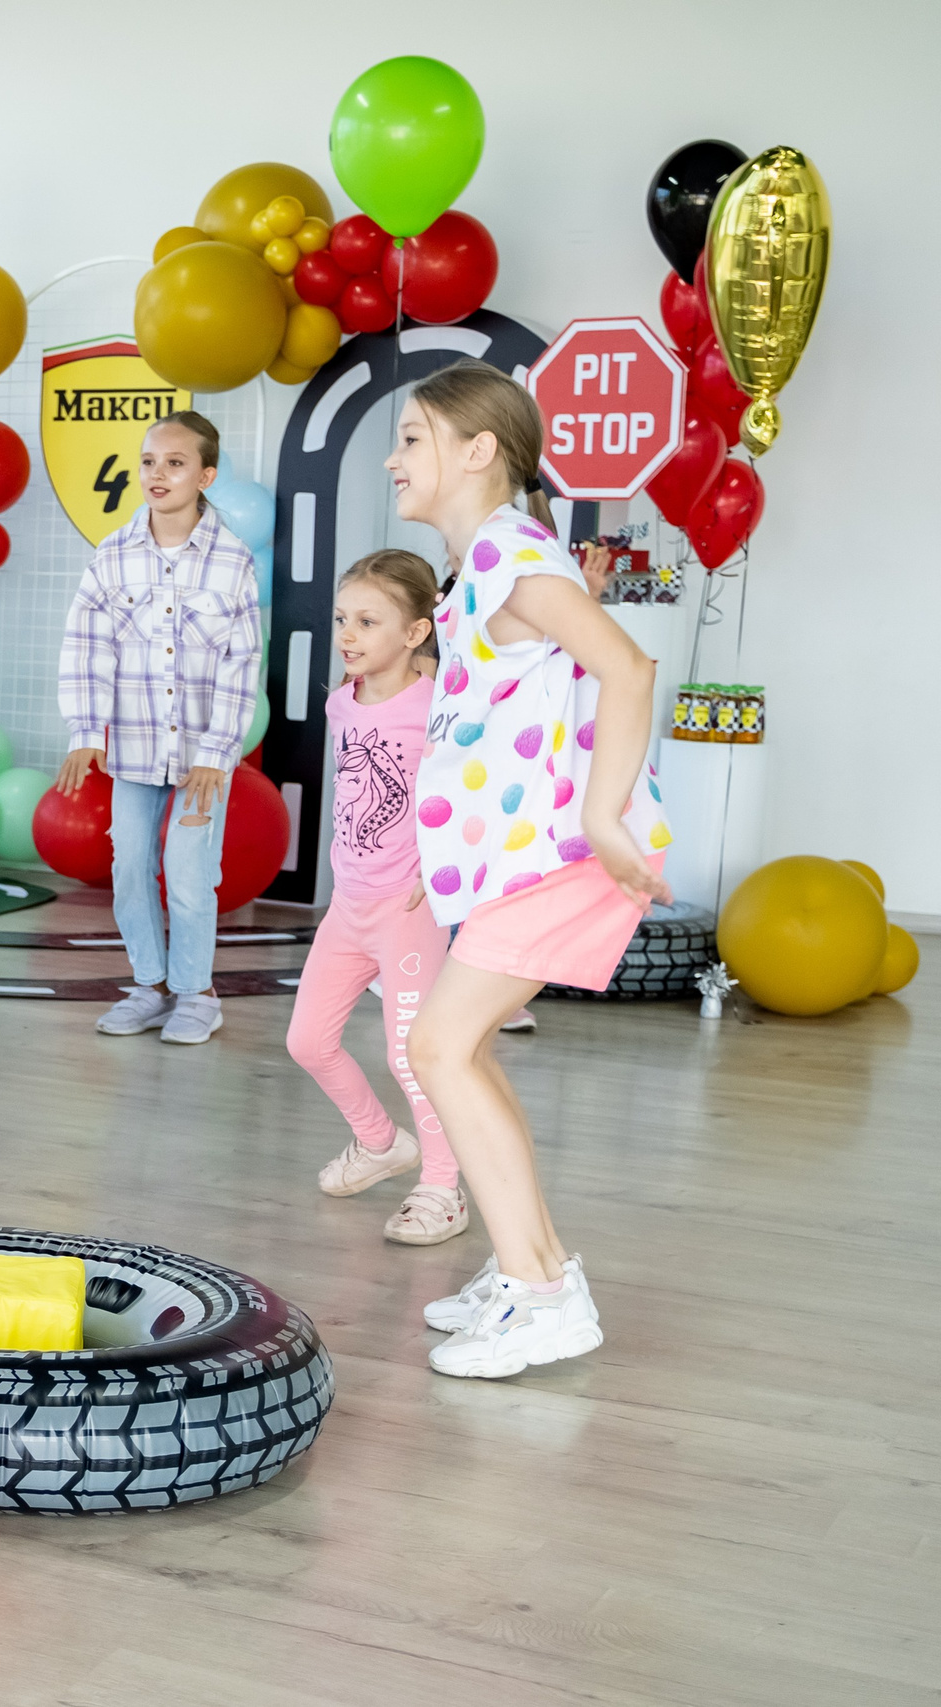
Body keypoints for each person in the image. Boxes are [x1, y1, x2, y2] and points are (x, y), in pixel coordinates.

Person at [392, 361, 671, 1378]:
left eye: (413, 437)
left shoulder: (513, 556)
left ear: (476, 451)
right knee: (459, 1052)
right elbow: (487, 728)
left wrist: (603, 817)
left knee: (438, 1049)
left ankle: (543, 1297)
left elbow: (627, 667)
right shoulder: (486, 567)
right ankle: (535, 1269)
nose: (394, 457)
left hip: (563, 863)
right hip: (524, 861)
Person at [54, 410, 262, 1046]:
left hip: (204, 756)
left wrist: (218, 751)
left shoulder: (232, 560)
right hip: (135, 751)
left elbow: (242, 661)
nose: (158, 474)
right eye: (148, 462)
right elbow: (88, 644)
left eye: (174, 463)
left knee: (192, 873)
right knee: (129, 866)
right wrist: (85, 731)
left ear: (206, 475)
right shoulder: (113, 555)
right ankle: (148, 986)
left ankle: (197, 995)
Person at [286, 551, 467, 1246]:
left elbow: (463, 783)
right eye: (342, 619)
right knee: (307, 1039)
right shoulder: (341, 700)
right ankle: (379, 1141)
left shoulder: (439, 704)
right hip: (348, 905)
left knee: (411, 1054)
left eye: (368, 620)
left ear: (417, 631)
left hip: (406, 909)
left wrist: (445, 860)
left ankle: (442, 1187)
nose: (349, 634)